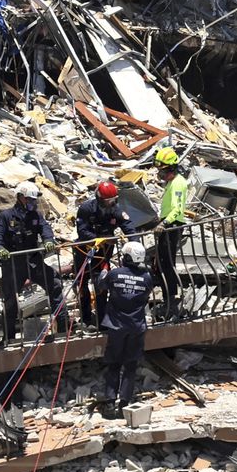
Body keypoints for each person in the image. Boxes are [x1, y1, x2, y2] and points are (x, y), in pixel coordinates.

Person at [0, 181, 68, 345]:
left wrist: (48, 240)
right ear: (20, 198)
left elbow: (45, 228)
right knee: (10, 300)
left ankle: (63, 329)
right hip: (13, 264)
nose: (33, 203)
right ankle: (9, 337)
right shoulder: (6, 216)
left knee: (54, 285)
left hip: (33, 261)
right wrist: (0, 249)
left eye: (34, 200)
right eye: (30, 200)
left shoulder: (36, 216)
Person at [96, 240, 154, 419]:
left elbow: (101, 285)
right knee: (130, 365)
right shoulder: (147, 277)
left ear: (126, 257)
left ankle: (109, 403)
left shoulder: (115, 274)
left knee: (114, 363)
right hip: (136, 326)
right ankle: (124, 403)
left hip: (116, 326)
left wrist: (104, 271)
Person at [74, 181, 134, 328]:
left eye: (113, 200)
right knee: (82, 287)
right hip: (84, 252)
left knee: (101, 287)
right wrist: (100, 239)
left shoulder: (116, 210)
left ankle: (101, 321)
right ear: (100, 199)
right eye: (108, 201)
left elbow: (129, 228)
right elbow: (82, 231)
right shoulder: (86, 208)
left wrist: (134, 245)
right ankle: (86, 319)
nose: (111, 204)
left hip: (103, 254)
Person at [154, 147, 187, 320]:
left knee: (168, 263)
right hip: (167, 224)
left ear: (170, 169)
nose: (160, 174)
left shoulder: (178, 183)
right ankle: (168, 297)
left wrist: (165, 223)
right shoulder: (172, 183)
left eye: (162, 170)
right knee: (162, 263)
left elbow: (178, 208)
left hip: (172, 226)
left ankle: (171, 299)